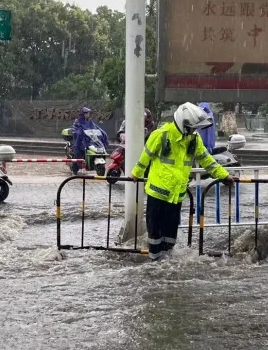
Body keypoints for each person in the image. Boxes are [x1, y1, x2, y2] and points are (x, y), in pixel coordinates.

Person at [130, 102, 234, 261]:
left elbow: (207, 160)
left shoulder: (193, 139)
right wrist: (135, 174)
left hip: (176, 196)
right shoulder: (161, 134)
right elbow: (145, 157)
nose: (193, 131)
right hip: (158, 195)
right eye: (191, 128)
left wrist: (224, 175)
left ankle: (167, 263)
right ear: (182, 123)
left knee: (170, 235)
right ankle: (153, 264)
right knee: (155, 234)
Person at [71, 106, 108, 175]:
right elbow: (75, 131)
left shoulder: (89, 121)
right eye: (86, 113)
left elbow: (95, 128)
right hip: (81, 141)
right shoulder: (78, 121)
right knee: (77, 152)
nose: (88, 115)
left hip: (90, 140)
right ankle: (74, 169)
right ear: (83, 114)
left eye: (88, 113)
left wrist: (102, 132)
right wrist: (80, 133)